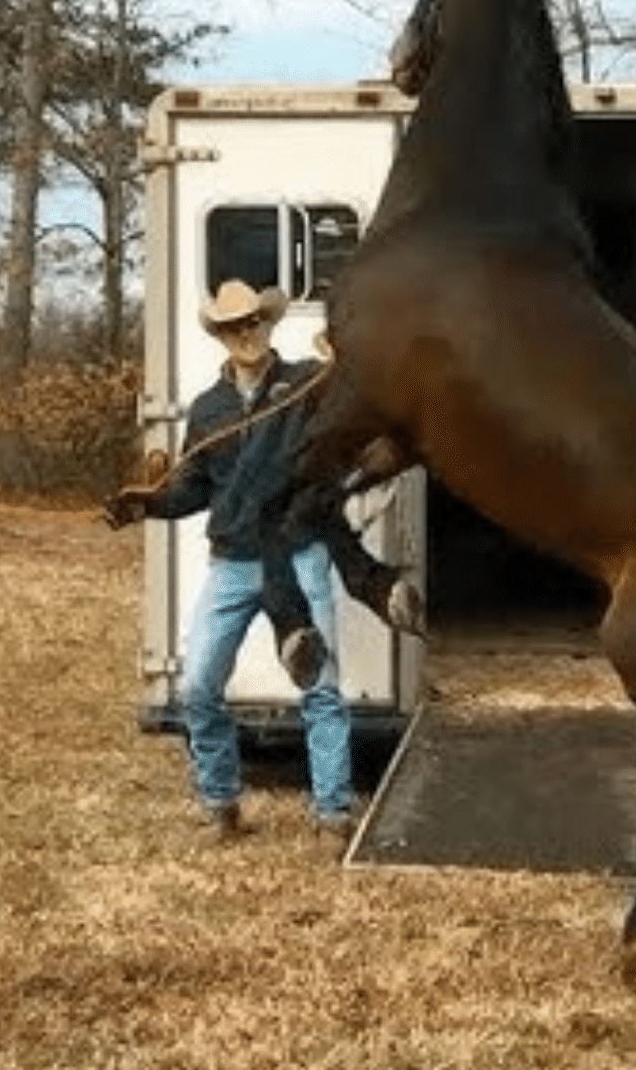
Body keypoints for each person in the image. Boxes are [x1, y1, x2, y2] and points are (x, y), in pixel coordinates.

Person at [104, 279, 420, 849]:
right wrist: (146, 505)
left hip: (300, 552)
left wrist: (345, 351)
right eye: (232, 327)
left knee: (320, 688)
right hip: (231, 563)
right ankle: (220, 803)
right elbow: (192, 490)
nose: (244, 334)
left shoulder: (306, 384)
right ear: (221, 335)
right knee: (198, 687)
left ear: (268, 325)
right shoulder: (207, 410)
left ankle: (332, 814)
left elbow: (356, 399)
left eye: (253, 322)